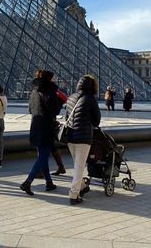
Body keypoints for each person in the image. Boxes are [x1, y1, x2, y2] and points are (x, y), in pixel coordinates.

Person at [20, 69, 62, 196]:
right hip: (46, 126)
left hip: (35, 125)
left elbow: (30, 109)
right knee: (43, 156)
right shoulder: (50, 91)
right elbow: (56, 110)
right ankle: (28, 182)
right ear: (49, 79)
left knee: (42, 155)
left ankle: (49, 182)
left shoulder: (34, 91)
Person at [65, 75, 101, 205]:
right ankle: (74, 195)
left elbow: (66, 117)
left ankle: (82, 186)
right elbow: (96, 121)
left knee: (77, 164)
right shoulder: (90, 99)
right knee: (79, 167)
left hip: (70, 136)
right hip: (83, 137)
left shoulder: (70, 97)